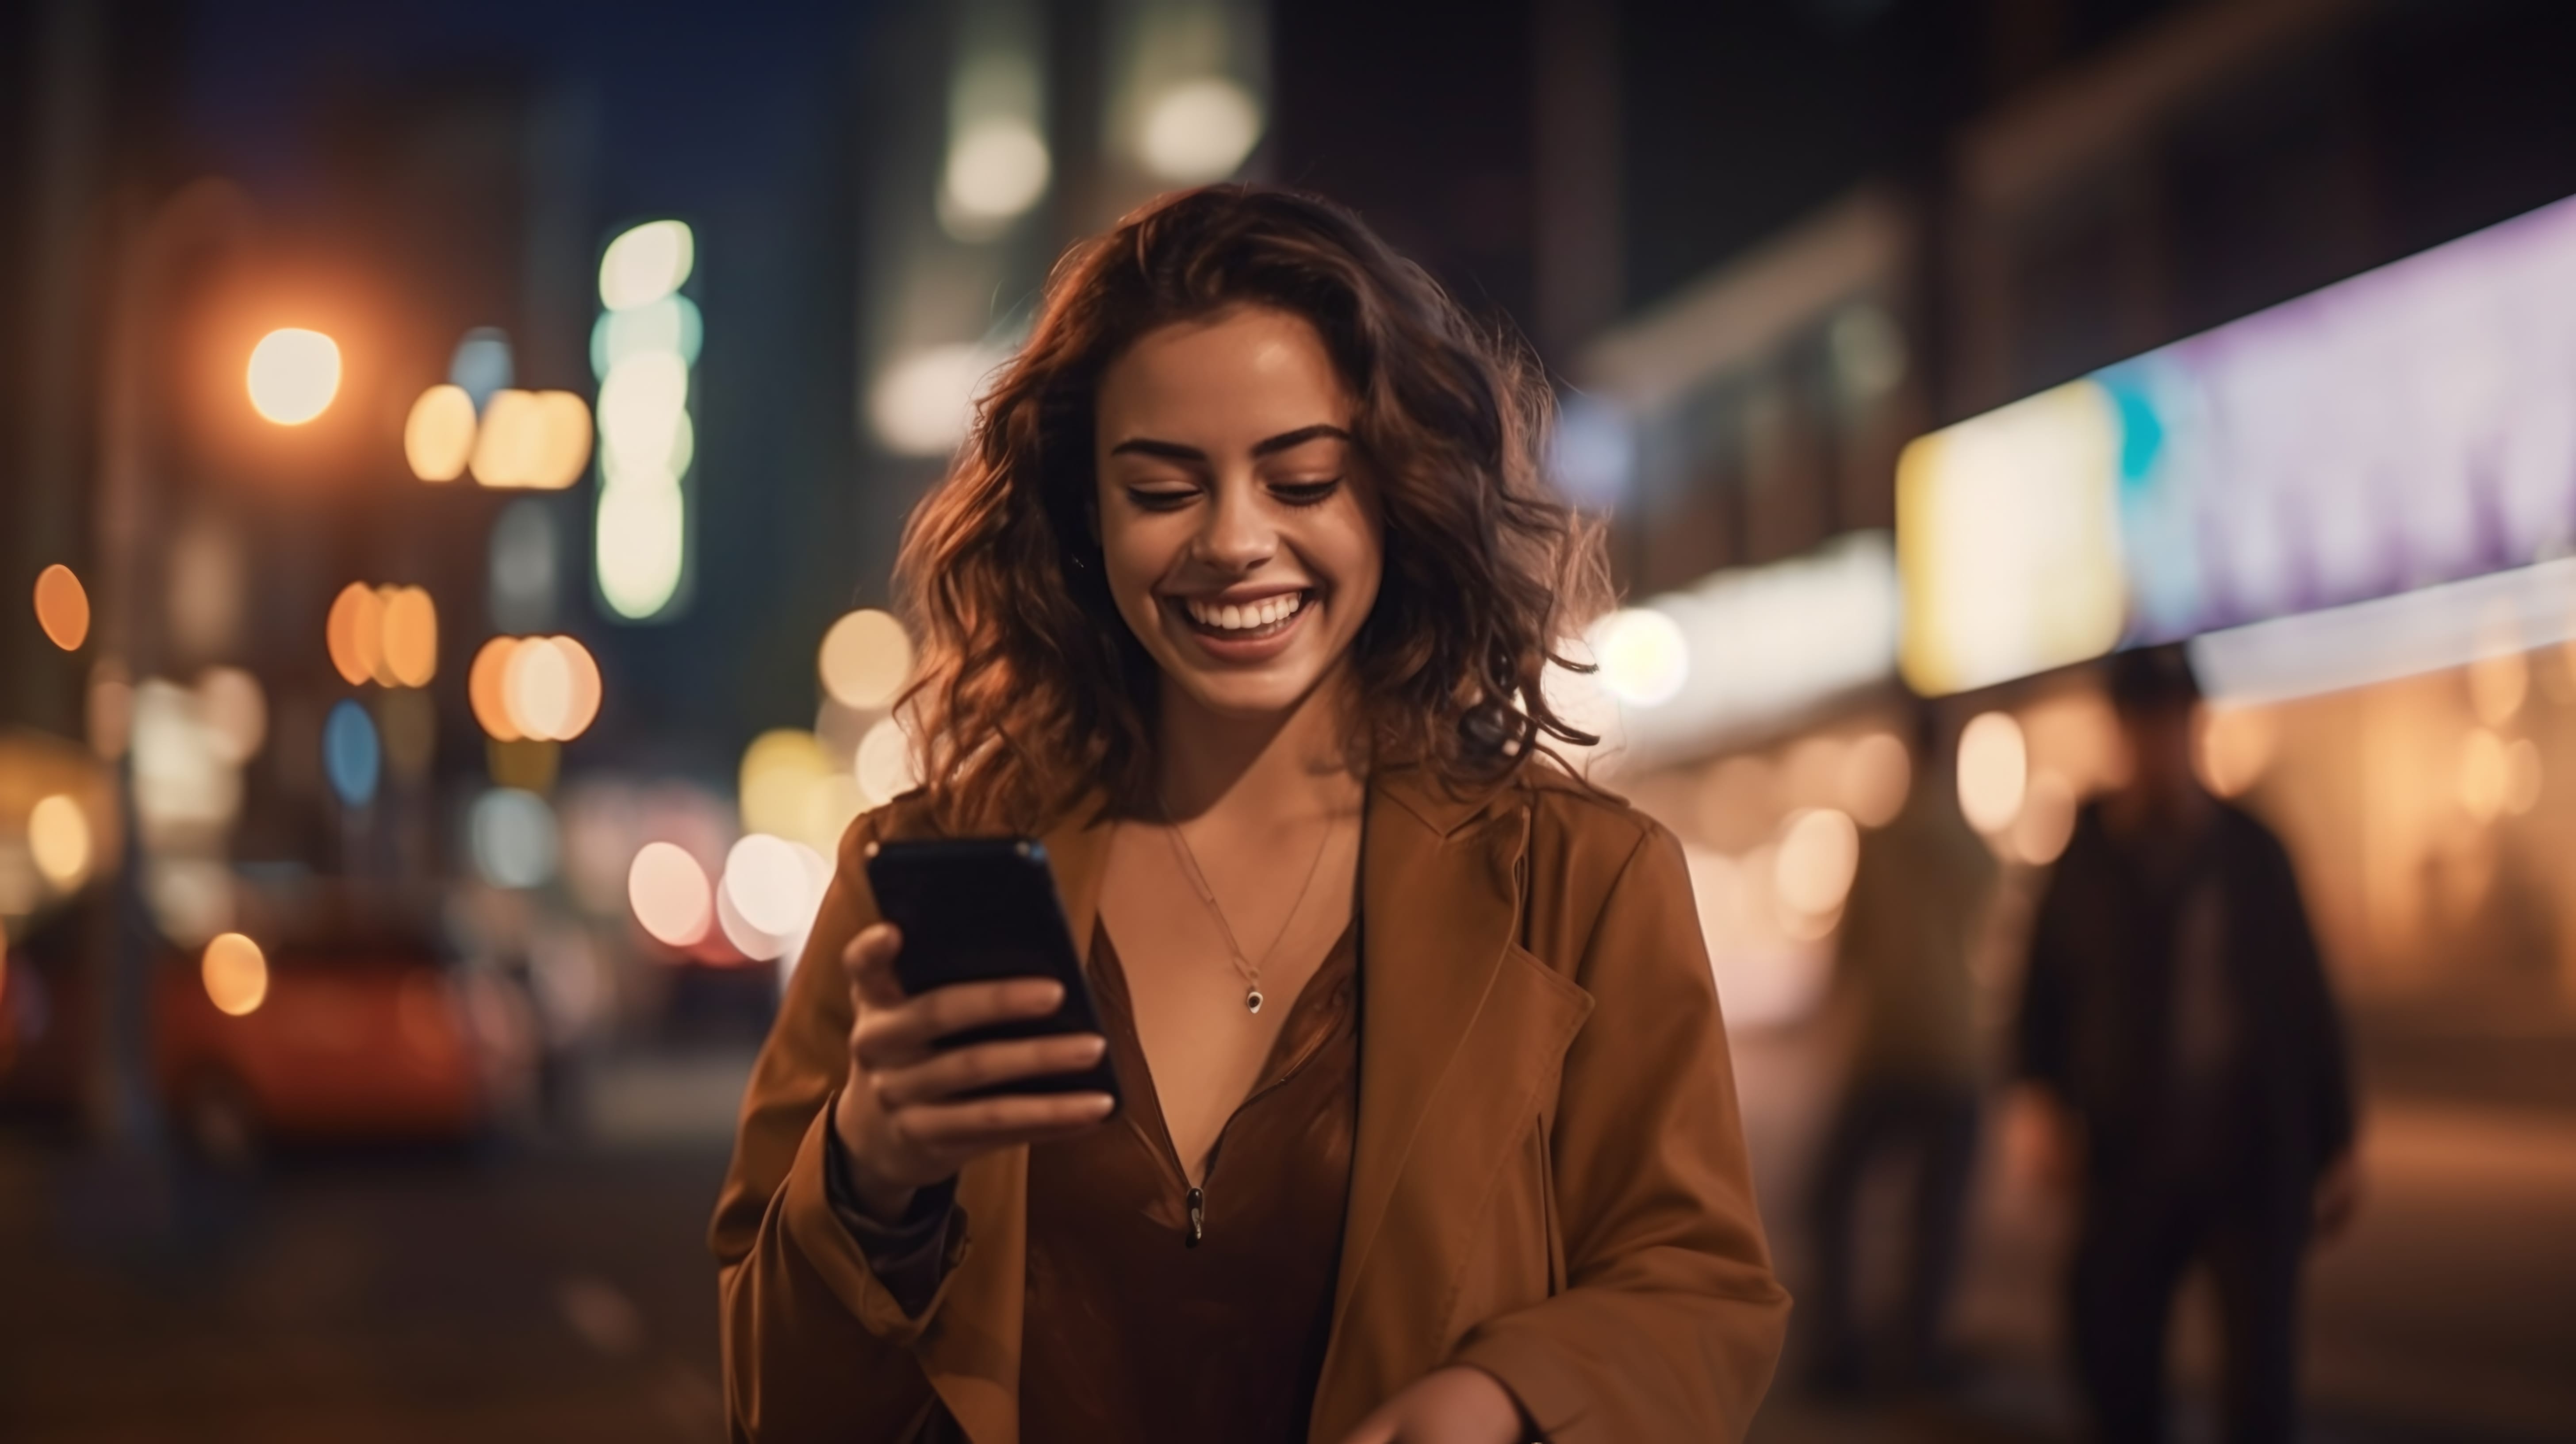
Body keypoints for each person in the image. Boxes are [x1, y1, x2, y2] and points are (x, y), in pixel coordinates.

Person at [709, 187, 1789, 1444]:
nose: (1235, 540)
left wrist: (1505, 1395)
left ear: (1395, 489)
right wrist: (868, 1175)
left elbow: (1700, 1293)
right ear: (1084, 517)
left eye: (1303, 478)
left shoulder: (1583, 882)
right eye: (1164, 489)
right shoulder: (917, 872)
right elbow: (770, 1399)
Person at [2010, 645, 2359, 1444]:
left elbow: (2307, 1004)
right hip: (2127, 1153)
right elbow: (2041, 992)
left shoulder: (2252, 853)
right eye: (2142, 727)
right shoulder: (2089, 854)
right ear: (2120, 734)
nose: (2158, 744)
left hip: (2250, 1154)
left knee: (2260, 1385)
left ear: (2194, 730)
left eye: (2172, 725)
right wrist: (2037, 1099)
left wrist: (2337, 1138)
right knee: (2116, 1368)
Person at [1802, 706, 1997, 1394]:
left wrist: (1829, 1029)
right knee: (1936, 1215)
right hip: (1955, 1046)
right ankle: (1920, 1349)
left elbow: (1850, 952)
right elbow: (1987, 924)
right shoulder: (1974, 848)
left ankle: (1840, 1350)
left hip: (1884, 1045)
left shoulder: (1878, 843)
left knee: (1830, 1197)